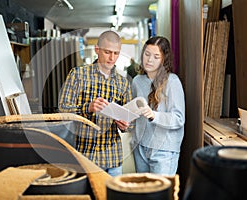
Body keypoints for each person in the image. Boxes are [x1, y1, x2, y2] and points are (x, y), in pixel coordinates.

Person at [58, 30, 132, 176]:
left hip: (113, 160)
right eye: (107, 52)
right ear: (97, 50)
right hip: (85, 157)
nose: (112, 58)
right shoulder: (77, 75)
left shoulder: (123, 83)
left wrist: (126, 125)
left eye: (116, 53)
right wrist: (88, 107)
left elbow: (130, 121)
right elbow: (62, 110)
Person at [131, 36, 185, 176]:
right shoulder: (137, 81)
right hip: (140, 148)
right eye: (147, 54)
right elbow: (135, 112)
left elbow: (179, 118)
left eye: (156, 56)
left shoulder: (172, 81)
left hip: (164, 150)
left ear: (163, 59)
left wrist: (154, 115)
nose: (149, 60)